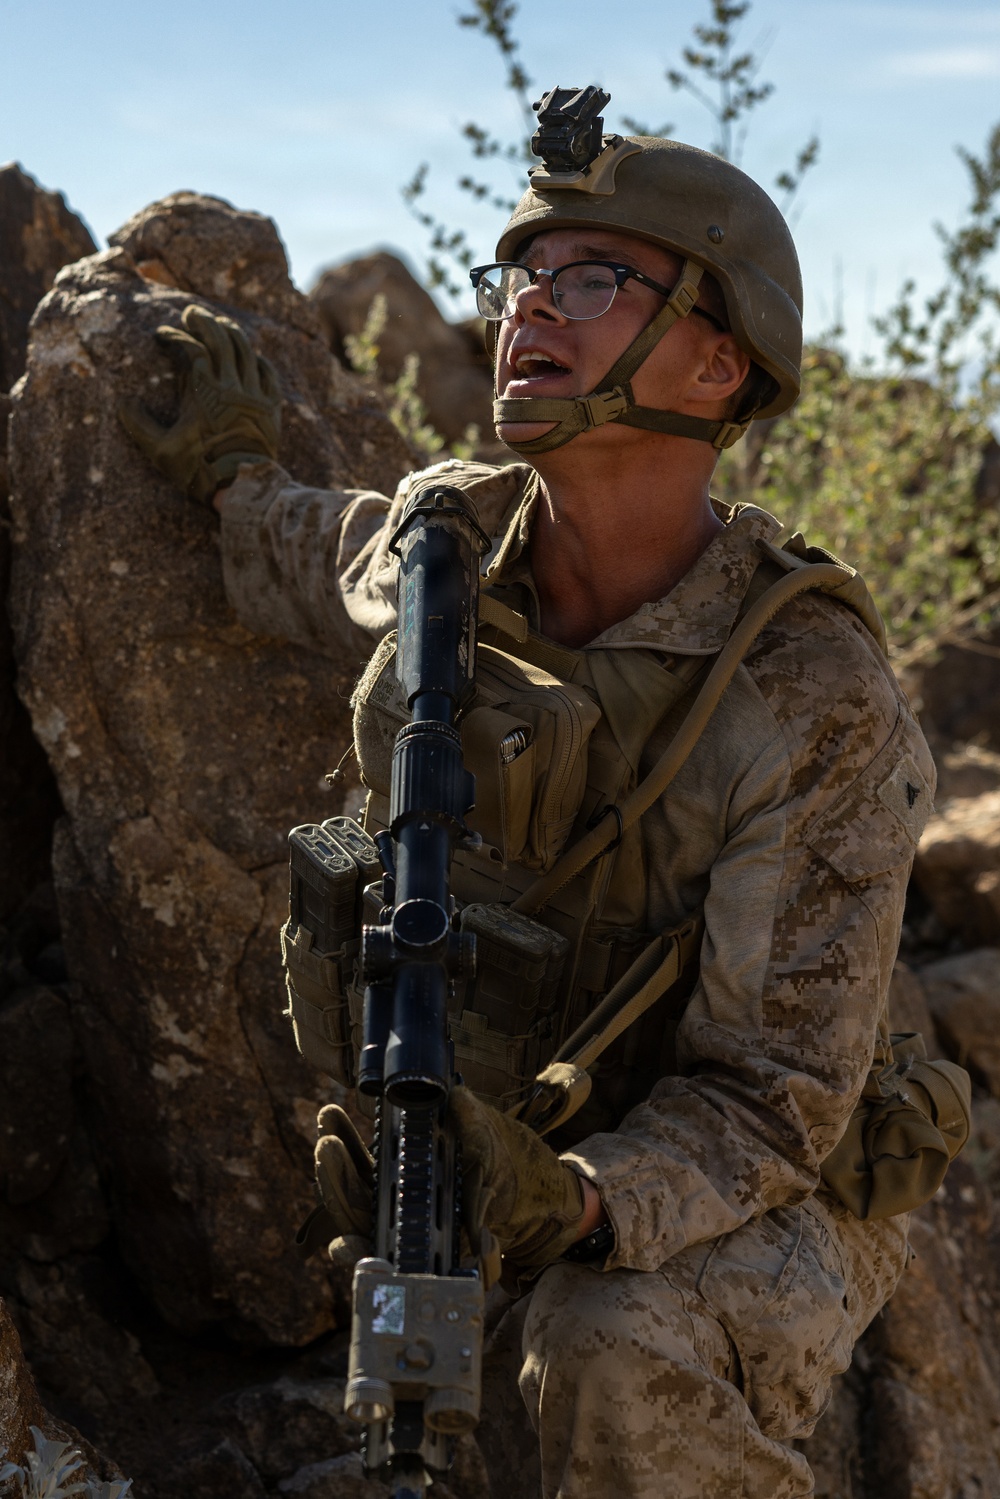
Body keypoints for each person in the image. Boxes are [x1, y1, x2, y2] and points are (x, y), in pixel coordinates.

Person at [123, 90, 952, 1499]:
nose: (526, 312)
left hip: (755, 1179)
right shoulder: (460, 546)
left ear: (716, 363)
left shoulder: (810, 695)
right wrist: (232, 472)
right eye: (519, 277)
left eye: (590, 279)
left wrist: (569, 1203)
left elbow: (772, 1105)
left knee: (607, 1344)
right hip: (523, 1132)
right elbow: (335, 557)